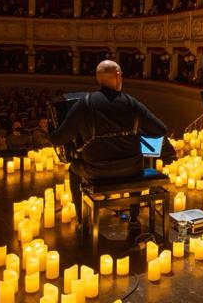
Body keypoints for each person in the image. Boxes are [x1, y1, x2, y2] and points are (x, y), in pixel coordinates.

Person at [50, 60, 167, 225]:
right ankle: (134, 219)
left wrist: (49, 129)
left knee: (73, 170)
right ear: (118, 76)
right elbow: (160, 129)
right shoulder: (131, 103)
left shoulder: (85, 104)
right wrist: (137, 132)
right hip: (132, 169)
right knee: (138, 166)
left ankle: (81, 221)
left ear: (98, 79)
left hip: (95, 171)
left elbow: (59, 138)